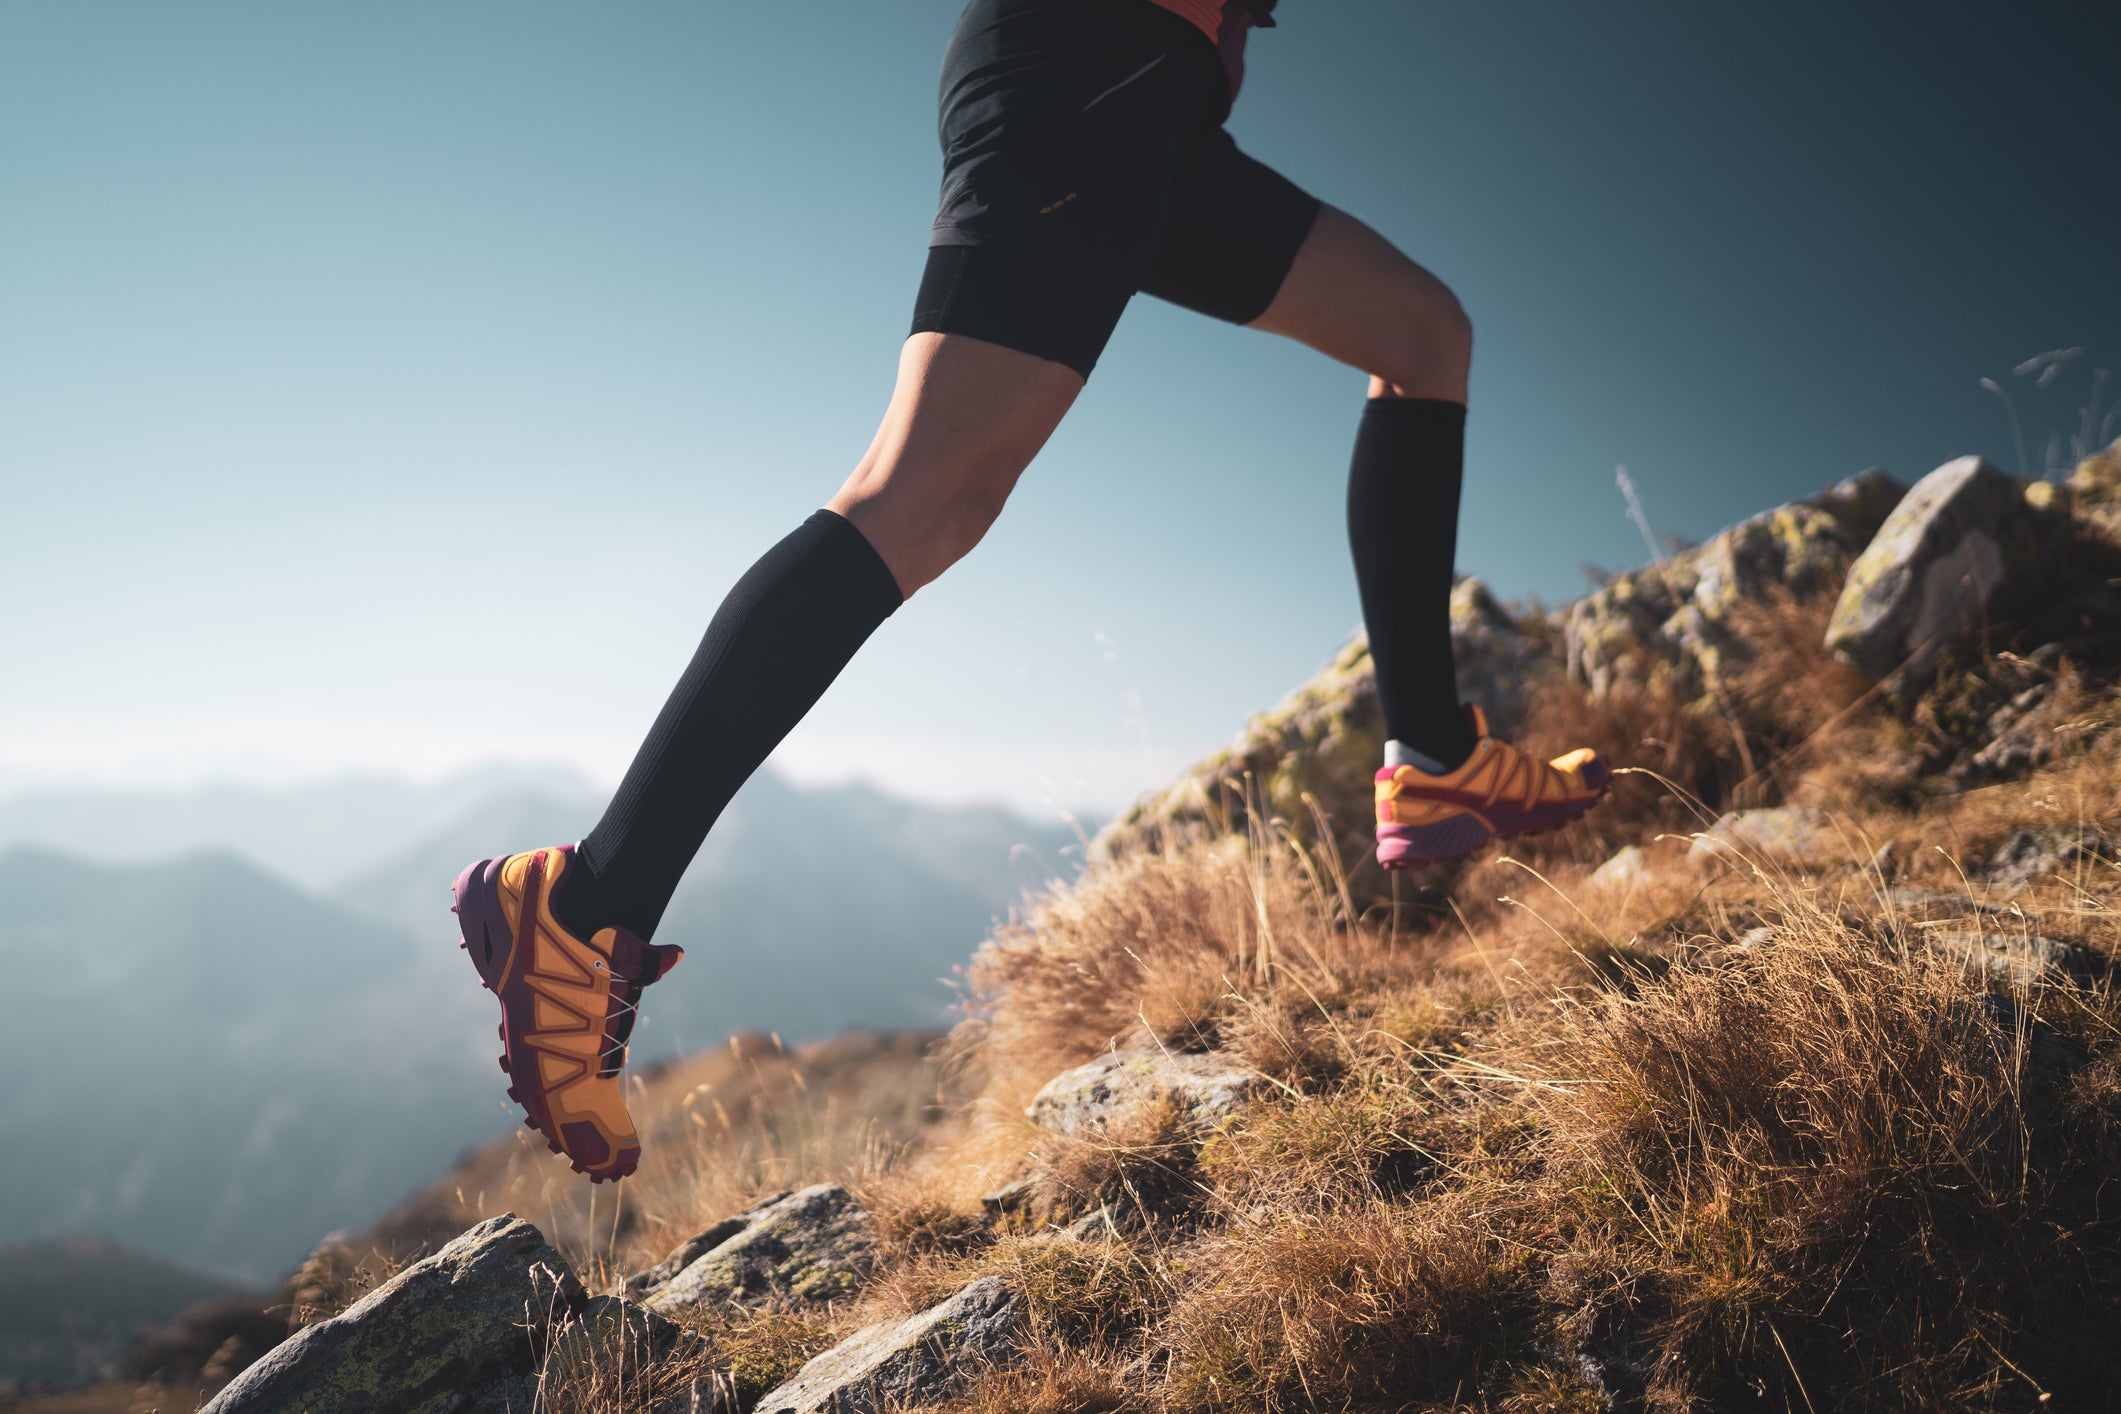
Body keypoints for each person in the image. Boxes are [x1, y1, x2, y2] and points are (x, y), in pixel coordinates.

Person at [448, 0, 1609, 1182]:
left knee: (1423, 333)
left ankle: (1433, 757)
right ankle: (588, 904)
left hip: (1160, 103)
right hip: (1090, 55)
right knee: (924, 494)